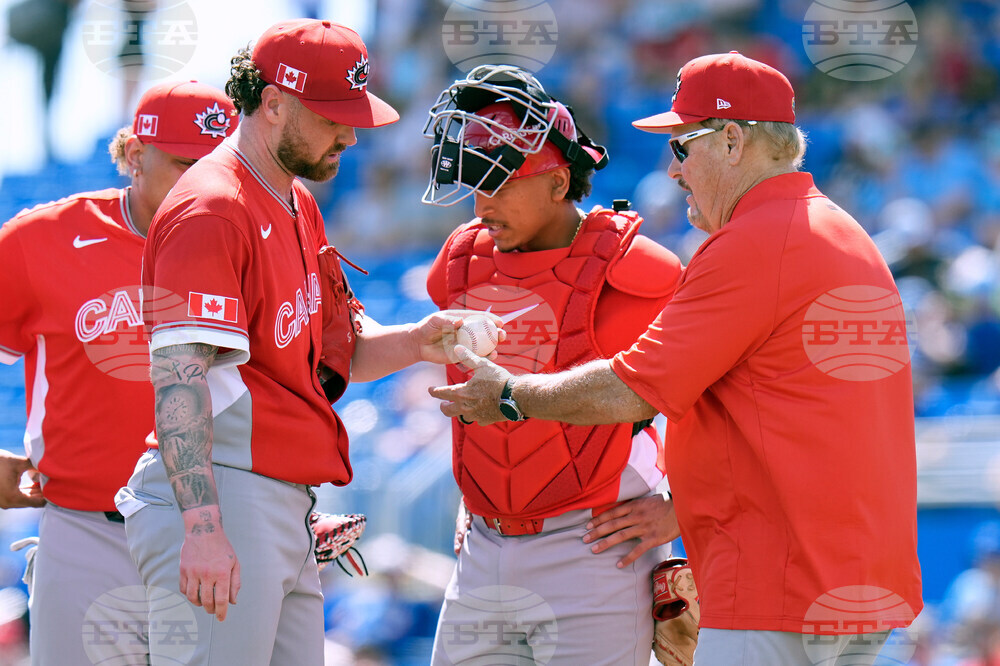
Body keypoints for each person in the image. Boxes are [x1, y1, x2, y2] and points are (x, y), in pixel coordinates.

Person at [430, 51, 923, 665]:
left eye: (682, 147)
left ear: (734, 140)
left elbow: (632, 390)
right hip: (852, 579)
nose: (672, 171)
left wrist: (508, 395)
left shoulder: (756, 241)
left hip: (782, 580)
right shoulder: (841, 231)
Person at [114, 20, 496, 665]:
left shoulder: (296, 200)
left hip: (280, 504)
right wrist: (204, 528)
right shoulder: (213, 208)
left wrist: (419, 340)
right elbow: (179, 380)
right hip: (225, 495)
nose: (350, 134)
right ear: (273, 104)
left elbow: (336, 351)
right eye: (332, 117)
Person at [421, 64, 683, 665]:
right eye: (474, 181)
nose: (481, 202)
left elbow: (715, 403)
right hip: (482, 548)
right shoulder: (460, 263)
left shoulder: (636, 270)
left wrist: (680, 508)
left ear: (559, 183)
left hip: (594, 546)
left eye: (500, 182)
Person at [0, 80, 237, 665]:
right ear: (135, 155)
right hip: (85, 532)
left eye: (217, 166)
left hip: (219, 533)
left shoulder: (250, 239)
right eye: (185, 165)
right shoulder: (41, 239)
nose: (202, 184)